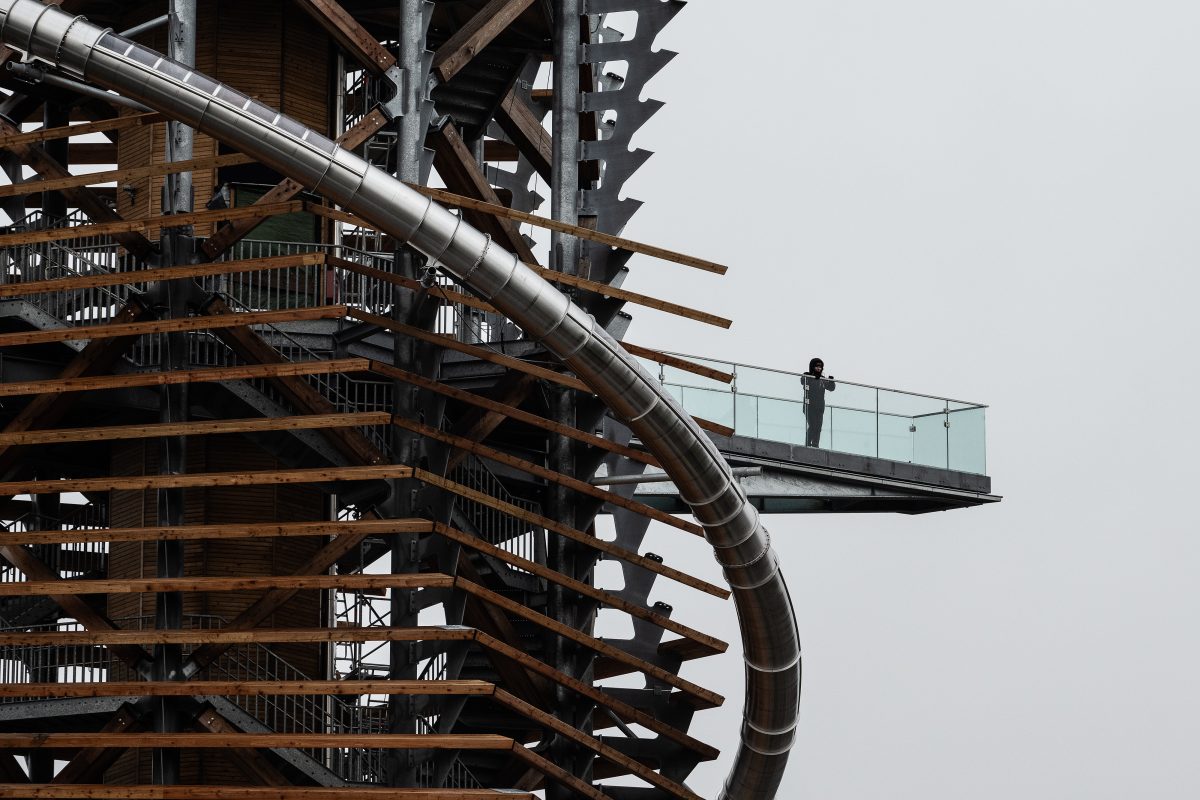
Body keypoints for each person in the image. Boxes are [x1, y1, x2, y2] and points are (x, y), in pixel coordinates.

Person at [801, 357, 835, 447]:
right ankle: (808, 444)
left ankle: (815, 444)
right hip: (809, 406)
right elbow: (802, 381)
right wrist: (813, 377)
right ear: (812, 367)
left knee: (818, 428)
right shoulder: (807, 375)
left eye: (820, 367)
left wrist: (831, 381)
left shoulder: (822, 379)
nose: (818, 368)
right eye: (816, 366)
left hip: (819, 407)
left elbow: (831, 388)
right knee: (813, 426)